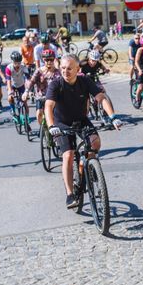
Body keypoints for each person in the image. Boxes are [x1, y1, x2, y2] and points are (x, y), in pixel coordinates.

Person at [45, 54, 122, 208]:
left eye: (69, 68)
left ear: (78, 69)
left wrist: (113, 117)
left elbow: (101, 97)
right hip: (62, 123)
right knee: (68, 155)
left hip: (81, 120)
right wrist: (52, 126)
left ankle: (87, 166)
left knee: (95, 142)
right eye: (63, 68)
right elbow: (48, 106)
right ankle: (70, 194)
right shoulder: (56, 84)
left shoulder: (85, 81)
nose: (65, 71)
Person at [25, 49, 60, 126]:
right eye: (46, 60)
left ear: (54, 60)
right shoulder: (39, 71)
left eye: (51, 60)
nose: (49, 62)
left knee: (56, 116)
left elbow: (62, 84)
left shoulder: (58, 72)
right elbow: (32, 81)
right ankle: (42, 129)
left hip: (53, 98)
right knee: (39, 114)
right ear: (43, 60)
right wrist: (26, 92)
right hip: (41, 97)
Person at [5, 51, 31, 131]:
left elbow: (28, 79)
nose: (17, 64)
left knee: (25, 102)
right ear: (12, 61)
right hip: (12, 85)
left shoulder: (23, 67)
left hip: (21, 85)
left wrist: (28, 90)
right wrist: (10, 91)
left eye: (19, 62)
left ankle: (26, 120)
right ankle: (13, 110)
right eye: (15, 62)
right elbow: (8, 81)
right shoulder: (8, 68)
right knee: (10, 98)